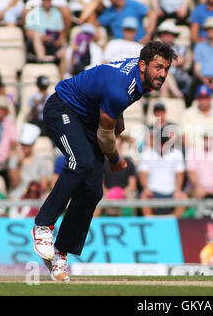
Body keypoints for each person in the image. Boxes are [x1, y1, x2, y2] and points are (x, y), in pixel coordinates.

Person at [30, 41, 176, 282]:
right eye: (158, 67)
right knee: (81, 163)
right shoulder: (121, 89)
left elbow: (106, 90)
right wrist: (116, 159)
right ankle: (43, 225)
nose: (162, 74)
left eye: (166, 69)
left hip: (88, 119)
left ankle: (59, 254)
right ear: (143, 65)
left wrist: (115, 114)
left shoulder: (139, 77)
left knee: (93, 191)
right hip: (63, 108)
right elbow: (105, 136)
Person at [138, 133, 187, 217]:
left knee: (183, 197)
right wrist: (146, 188)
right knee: (144, 196)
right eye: (160, 143)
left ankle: (173, 220)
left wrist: (177, 190)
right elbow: (142, 175)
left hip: (171, 192)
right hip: (153, 191)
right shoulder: (147, 154)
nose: (162, 146)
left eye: (164, 143)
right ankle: (151, 221)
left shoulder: (177, 154)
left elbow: (180, 175)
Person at [8, 123, 52, 200]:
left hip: (36, 194)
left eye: (27, 145)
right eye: (23, 144)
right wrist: (19, 164)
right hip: (19, 194)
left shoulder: (41, 160)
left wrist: (32, 192)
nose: (25, 147)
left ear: (32, 145)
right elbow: (15, 183)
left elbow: (44, 185)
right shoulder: (14, 159)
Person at [181, 84, 213, 149]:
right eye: (201, 97)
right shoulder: (188, 113)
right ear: (197, 98)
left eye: (206, 97)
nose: (204, 100)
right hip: (194, 152)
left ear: (211, 98)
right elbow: (184, 136)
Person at [24, 0, 66, 74]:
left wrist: (59, 40)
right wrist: (42, 38)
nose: (47, 1)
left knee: (66, 51)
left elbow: (61, 32)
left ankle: (63, 79)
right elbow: (28, 32)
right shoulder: (34, 12)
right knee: (36, 34)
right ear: (42, 0)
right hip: (37, 43)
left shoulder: (56, 13)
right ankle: (42, 61)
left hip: (53, 44)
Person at [185, 131, 213, 199]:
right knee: (197, 193)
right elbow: (191, 172)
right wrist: (199, 186)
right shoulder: (193, 151)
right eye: (206, 138)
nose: (208, 140)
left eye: (210, 138)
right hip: (196, 187)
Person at [156, 20, 191, 100]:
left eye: (169, 34)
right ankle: (178, 95)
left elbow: (181, 60)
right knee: (164, 80)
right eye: (165, 33)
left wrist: (164, 62)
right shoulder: (156, 48)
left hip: (178, 76)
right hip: (160, 76)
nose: (167, 36)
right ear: (161, 35)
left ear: (173, 35)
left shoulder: (180, 47)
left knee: (164, 76)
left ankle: (165, 103)